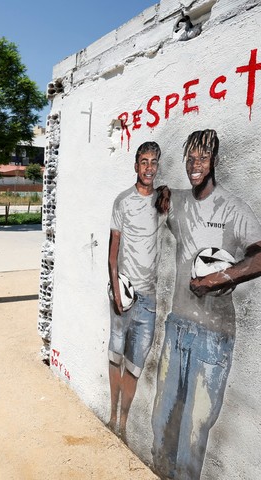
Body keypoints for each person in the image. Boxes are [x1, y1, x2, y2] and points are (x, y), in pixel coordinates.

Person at [151, 129, 261, 479]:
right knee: (162, 419)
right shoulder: (177, 201)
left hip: (214, 336)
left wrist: (216, 279)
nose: (195, 164)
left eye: (202, 157)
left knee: (194, 431)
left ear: (214, 161)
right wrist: (159, 194)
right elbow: (158, 197)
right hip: (177, 327)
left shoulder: (233, 208)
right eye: (190, 157)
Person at [107, 141, 165, 443]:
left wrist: (166, 194)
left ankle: (124, 423)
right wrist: (117, 292)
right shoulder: (123, 201)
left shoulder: (162, 201)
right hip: (125, 293)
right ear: (135, 165)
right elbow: (112, 253)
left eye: (154, 162)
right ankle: (112, 414)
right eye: (144, 161)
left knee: (135, 366)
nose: (149, 167)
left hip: (150, 298)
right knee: (116, 355)